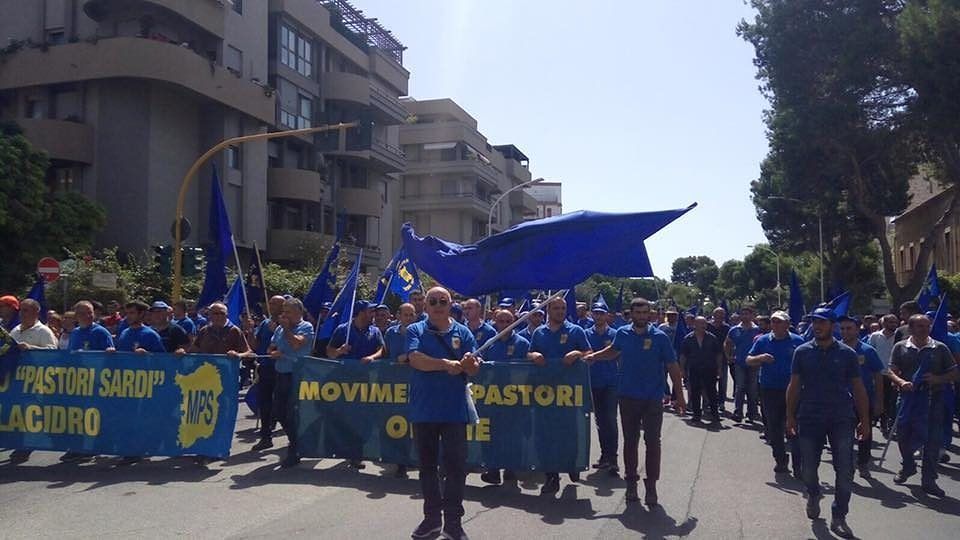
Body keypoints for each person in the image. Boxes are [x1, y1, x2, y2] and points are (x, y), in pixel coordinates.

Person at [585, 297, 684, 506]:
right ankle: (631, 483)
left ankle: (651, 486)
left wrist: (680, 396)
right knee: (630, 442)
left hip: (652, 398)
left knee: (653, 442)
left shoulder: (660, 337)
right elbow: (613, 351)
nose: (641, 316)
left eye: (645, 312)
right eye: (638, 313)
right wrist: (594, 356)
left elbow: (673, 366)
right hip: (627, 396)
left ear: (650, 314)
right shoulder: (622, 333)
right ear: (631, 314)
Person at [786, 308, 870, 539]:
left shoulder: (847, 354)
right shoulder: (802, 352)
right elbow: (794, 385)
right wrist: (790, 415)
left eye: (822, 322)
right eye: (815, 322)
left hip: (841, 417)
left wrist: (865, 420)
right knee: (808, 468)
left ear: (833, 325)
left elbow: (858, 388)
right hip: (809, 416)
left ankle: (839, 515)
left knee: (845, 469)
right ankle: (813, 494)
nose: (817, 326)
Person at [406, 287, 479, 540]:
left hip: (454, 412)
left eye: (443, 301)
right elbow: (415, 359)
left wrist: (470, 364)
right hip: (424, 410)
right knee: (427, 468)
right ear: (425, 305)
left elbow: (474, 367)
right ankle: (432, 520)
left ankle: (453, 524)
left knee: (456, 468)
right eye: (433, 301)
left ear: (450, 305)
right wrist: (445, 364)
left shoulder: (464, 332)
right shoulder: (416, 330)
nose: (438, 305)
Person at [887, 314, 958, 497]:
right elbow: (891, 371)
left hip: (933, 400)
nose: (925, 329)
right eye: (920, 326)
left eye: (927, 326)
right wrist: (901, 382)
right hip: (907, 400)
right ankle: (908, 466)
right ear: (910, 328)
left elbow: (954, 372)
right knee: (903, 437)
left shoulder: (939, 348)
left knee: (932, 441)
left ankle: (929, 480)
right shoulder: (900, 347)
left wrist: (938, 379)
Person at [528, 296, 592, 495]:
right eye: (556, 308)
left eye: (563, 308)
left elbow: (589, 353)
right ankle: (551, 476)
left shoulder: (576, 331)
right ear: (548, 310)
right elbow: (530, 353)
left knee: (569, 431)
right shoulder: (539, 332)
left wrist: (578, 354)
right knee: (545, 433)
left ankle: (571, 463)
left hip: (569, 391)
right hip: (545, 391)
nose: (560, 311)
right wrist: (533, 356)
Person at [746, 311, 804, 476]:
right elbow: (748, 360)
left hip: (793, 389)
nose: (775, 325)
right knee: (774, 427)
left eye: (779, 322)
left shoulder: (798, 341)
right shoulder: (763, 340)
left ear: (787, 324)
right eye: (773, 322)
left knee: (794, 427)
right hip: (770, 389)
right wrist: (760, 358)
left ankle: (798, 465)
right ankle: (780, 460)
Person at [479, 309, 531, 486]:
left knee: (513, 433)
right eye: (501, 321)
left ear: (514, 321)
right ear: (495, 322)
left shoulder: (522, 343)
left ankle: (511, 468)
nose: (505, 324)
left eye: (508, 321)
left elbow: (527, 368)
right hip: (492, 395)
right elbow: (480, 364)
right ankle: (493, 470)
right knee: (492, 433)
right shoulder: (490, 343)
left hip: (514, 396)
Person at [61, 300, 114, 463]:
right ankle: (77, 447)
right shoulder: (75, 333)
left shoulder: (101, 332)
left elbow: (111, 358)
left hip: (96, 383)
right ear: (76, 316)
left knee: (94, 417)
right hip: (78, 382)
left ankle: (93, 448)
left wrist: (109, 353)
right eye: (83, 313)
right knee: (77, 416)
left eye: (90, 312)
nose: (88, 316)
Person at [6, 298, 57, 463]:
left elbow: (53, 352)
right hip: (17, 380)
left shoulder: (43, 331)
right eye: (21, 310)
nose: (22, 314)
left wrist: (32, 349)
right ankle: (19, 443)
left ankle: (26, 446)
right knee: (17, 413)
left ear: (36, 312)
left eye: (26, 310)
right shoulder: (15, 330)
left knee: (30, 413)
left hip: (36, 380)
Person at [268, 297, 314, 469]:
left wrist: (287, 329)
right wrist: (273, 352)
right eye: (284, 311)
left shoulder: (306, 327)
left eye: (288, 312)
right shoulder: (280, 329)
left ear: (298, 312)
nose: (284, 315)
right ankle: (295, 440)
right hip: (281, 373)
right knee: (278, 412)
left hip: (297, 375)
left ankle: (294, 449)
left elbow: (296, 344)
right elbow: (271, 347)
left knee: (291, 413)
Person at [837, 316, 884, 478]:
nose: (845, 331)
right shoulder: (835, 349)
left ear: (857, 330)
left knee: (864, 433)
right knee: (843, 436)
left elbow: (878, 375)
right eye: (842, 328)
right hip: (841, 401)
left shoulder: (868, 351)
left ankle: (863, 462)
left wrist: (879, 401)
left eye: (849, 328)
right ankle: (846, 465)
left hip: (864, 400)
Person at [584, 303, 621, 472]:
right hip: (593, 382)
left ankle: (613, 458)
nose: (598, 316)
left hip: (611, 382)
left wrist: (597, 357)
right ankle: (604, 455)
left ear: (607, 315)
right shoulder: (586, 333)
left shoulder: (614, 334)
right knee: (600, 421)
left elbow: (617, 354)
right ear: (592, 314)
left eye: (601, 313)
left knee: (611, 420)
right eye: (596, 313)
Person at [251, 295, 286, 452]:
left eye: (275, 304)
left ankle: (292, 438)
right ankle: (265, 437)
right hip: (265, 367)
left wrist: (278, 329)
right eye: (270, 303)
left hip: (281, 369)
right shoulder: (264, 323)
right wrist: (250, 331)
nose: (271, 306)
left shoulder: (287, 323)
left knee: (281, 405)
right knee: (264, 403)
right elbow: (255, 345)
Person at [679, 316, 723, 424]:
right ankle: (696, 415)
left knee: (711, 392)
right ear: (695, 325)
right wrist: (682, 370)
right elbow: (683, 355)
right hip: (694, 369)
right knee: (695, 392)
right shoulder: (688, 338)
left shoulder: (712, 338)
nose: (703, 326)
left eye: (705, 323)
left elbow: (718, 354)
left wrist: (719, 368)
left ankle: (715, 414)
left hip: (709, 368)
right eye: (700, 323)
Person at [725, 305, 762, 423]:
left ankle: (752, 413)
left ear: (752, 315)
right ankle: (738, 412)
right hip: (739, 363)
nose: (745, 316)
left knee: (752, 389)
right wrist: (728, 356)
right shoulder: (734, 330)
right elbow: (727, 343)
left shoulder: (758, 330)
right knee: (740, 387)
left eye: (747, 314)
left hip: (754, 363)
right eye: (743, 314)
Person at [867, 314, 899, 436]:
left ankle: (887, 422)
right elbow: (870, 353)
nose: (893, 325)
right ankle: (878, 419)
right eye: (890, 322)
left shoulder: (898, 336)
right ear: (884, 323)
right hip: (878, 374)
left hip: (893, 374)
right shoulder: (875, 336)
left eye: (895, 322)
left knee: (891, 400)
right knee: (878, 398)